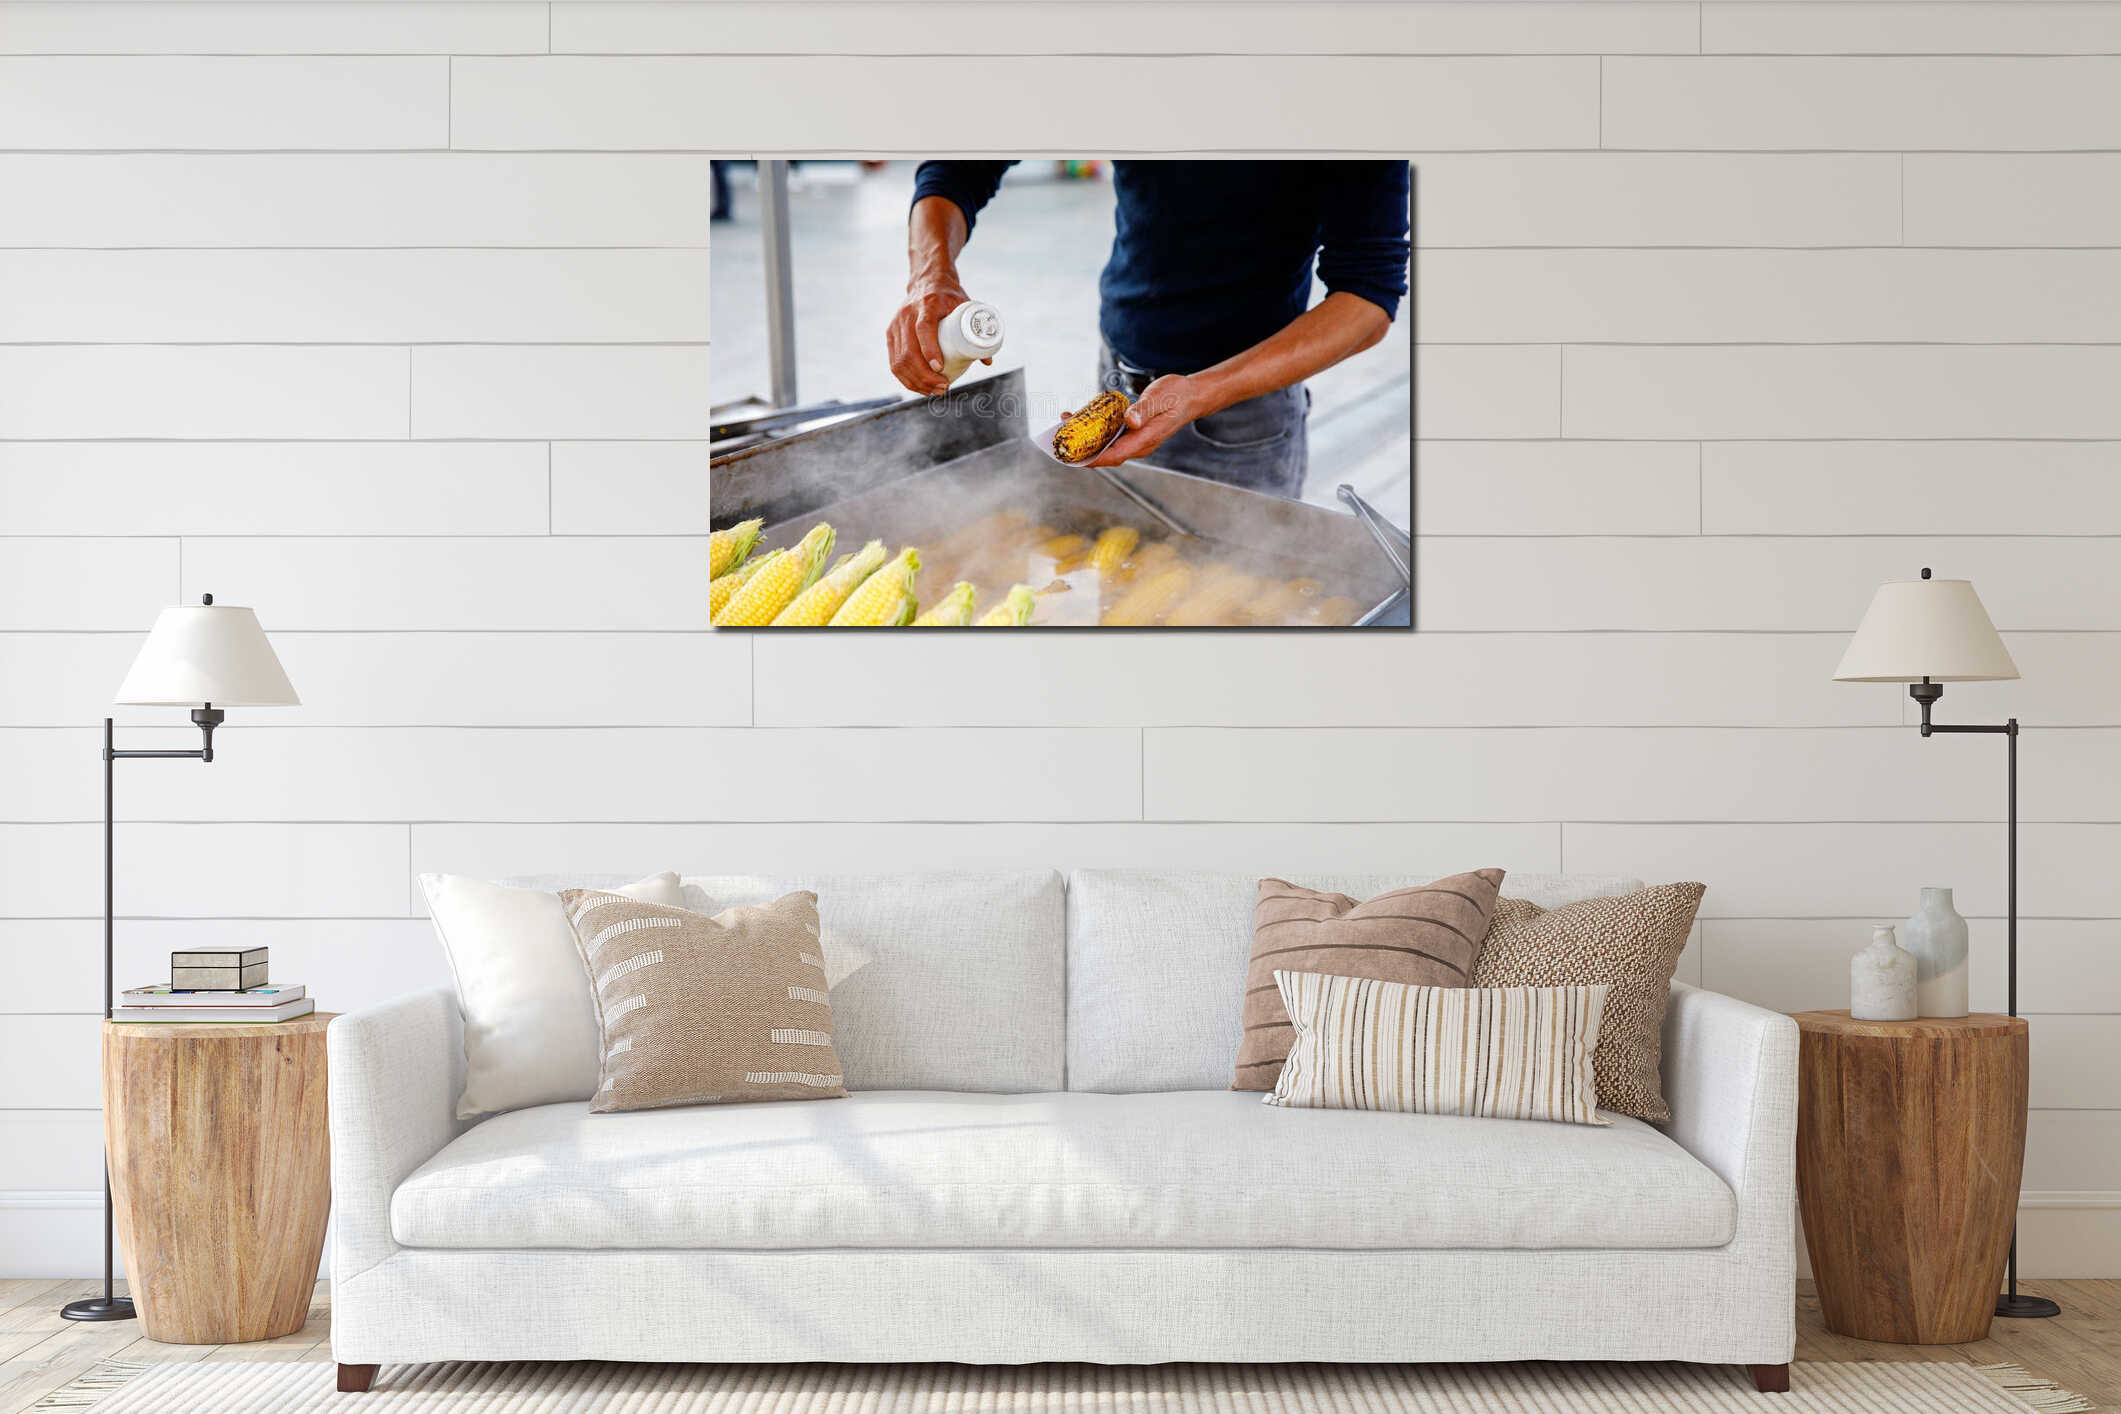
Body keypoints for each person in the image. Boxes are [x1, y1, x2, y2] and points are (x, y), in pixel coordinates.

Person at [886, 160, 1409, 499]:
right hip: (1118, 364)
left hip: (1243, 413)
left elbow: (1368, 298)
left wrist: (1203, 391)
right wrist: (930, 276)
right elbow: (958, 166)